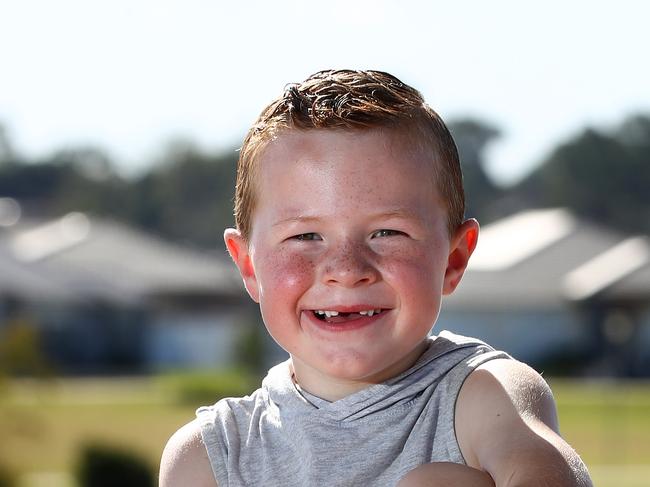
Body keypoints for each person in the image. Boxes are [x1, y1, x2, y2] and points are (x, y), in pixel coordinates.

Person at [159, 69, 593, 487]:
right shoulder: (213, 456)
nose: (347, 269)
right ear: (249, 267)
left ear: (453, 259)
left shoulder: (481, 397)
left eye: (387, 233)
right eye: (305, 236)